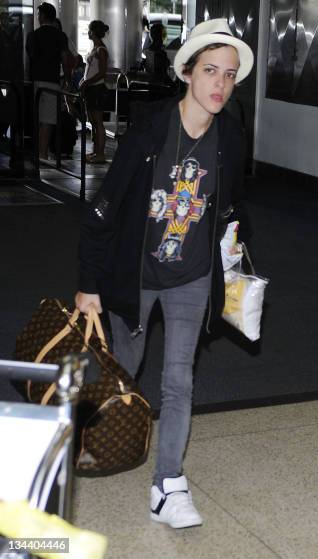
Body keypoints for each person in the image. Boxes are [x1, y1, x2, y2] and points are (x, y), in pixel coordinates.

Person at [75, 18, 254, 529]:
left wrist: (235, 257)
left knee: (179, 380)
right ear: (188, 73)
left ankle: (168, 484)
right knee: (120, 372)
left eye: (230, 74)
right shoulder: (152, 129)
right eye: (211, 71)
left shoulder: (232, 136)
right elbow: (104, 210)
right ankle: (77, 440)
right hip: (137, 275)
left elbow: (233, 205)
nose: (220, 84)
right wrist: (90, 284)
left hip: (192, 276)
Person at [25, 2, 70, 160]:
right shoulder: (60, 36)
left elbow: (30, 57)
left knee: (37, 118)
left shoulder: (33, 35)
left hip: (35, 81)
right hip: (52, 81)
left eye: (38, 14)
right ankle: (43, 153)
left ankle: (39, 152)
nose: (37, 17)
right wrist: (68, 79)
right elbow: (65, 59)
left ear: (43, 16)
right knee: (48, 120)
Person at [80, 20, 109, 164]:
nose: (88, 32)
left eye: (90, 30)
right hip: (92, 88)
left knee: (98, 122)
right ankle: (96, 151)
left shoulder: (101, 50)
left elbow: (102, 72)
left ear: (94, 32)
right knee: (93, 121)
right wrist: (84, 81)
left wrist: (86, 82)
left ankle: (100, 153)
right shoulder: (96, 48)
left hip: (97, 88)